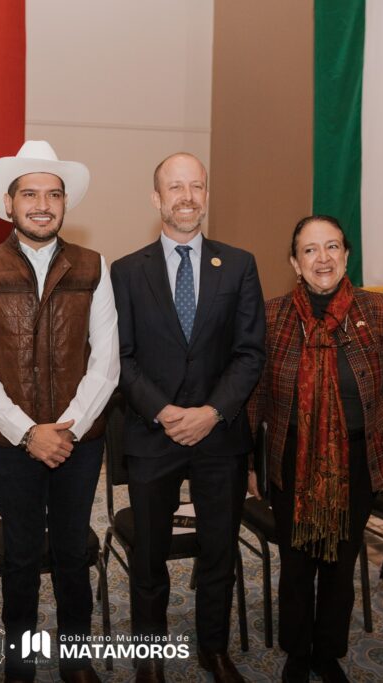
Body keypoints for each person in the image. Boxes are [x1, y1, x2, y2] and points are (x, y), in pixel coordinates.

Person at [0, 140, 119, 683]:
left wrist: (64, 430)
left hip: (79, 439)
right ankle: (19, 660)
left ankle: (76, 658)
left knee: (74, 551)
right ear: (9, 204)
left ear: (65, 204)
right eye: (30, 193)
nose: (42, 204)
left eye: (53, 194)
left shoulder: (94, 266)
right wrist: (29, 433)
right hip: (11, 442)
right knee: (21, 556)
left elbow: (107, 362)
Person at [111, 152, 265, 683]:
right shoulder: (126, 271)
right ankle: (150, 659)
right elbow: (120, 358)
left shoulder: (239, 264)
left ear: (206, 194)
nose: (187, 197)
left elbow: (250, 353)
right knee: (149, 558)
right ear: (156, 198)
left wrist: (211, 412)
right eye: (175, 187)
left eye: (196, 186)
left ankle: (214, 651)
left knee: (219, 552)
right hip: (152, 436)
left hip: (219, 437)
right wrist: (165, 411)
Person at [246, 215, 383, 683]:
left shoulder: (380, 311)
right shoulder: (273, 314)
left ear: (346, 255)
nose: (323, 258)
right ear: (295, 263)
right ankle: (298, 652)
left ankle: (328, 653)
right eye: (311, 250)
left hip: (356, 460)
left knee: (341, 561)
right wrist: (253, 464)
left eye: (332, 247)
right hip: (290, 458)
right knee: (297, 563)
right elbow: (256, 397)